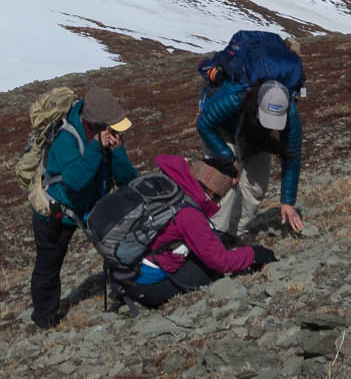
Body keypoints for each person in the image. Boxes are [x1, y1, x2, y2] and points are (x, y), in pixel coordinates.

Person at [30, 83, 136, 329]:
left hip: (88, 206)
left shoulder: (105, 135)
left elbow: (127, 180)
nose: (116, 132)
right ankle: (44, 319)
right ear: (95, 124)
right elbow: (75, 181)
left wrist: (117, 152)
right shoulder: (67, 138)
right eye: (111, 128)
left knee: (119, 244)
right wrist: (95, 148)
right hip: (55, 212)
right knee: (48, 265)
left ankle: (133, 288)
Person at [129, 155, 276, 307]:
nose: (218, 203)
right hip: (145, 286)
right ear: (212, 193)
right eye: (220, 198)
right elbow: (221, 261)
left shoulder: (173, 188)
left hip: (125, 270)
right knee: (209, 271)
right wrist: (253, 253)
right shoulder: (190, 215)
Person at [198, 74, 305, 240]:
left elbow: (292, 154)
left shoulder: (290, 112)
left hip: (257, 135)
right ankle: (215, 237)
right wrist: (228, 158)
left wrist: (287, 201)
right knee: (225, 182)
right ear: (258, 105)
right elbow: (204, 124)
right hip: (221, 128)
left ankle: (236, 236)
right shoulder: (234, 97)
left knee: (257, 187)